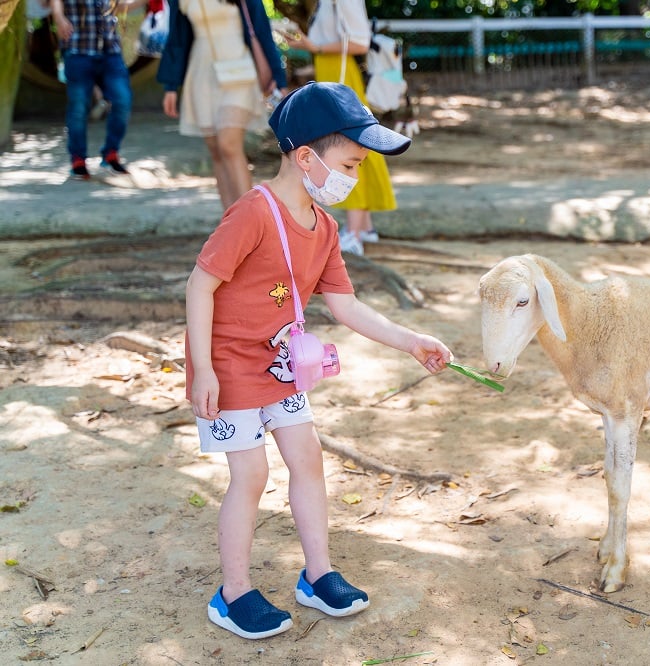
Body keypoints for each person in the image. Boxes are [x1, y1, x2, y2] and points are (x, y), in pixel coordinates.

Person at [185, 81, 453, 640]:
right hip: (230, 365)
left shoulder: (326, 228)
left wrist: (410, 340)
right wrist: (204, 368)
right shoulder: (253, 213)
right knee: (251, 473)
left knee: (307, 459)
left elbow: (346, 304)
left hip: (281, 366)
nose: (354, 176)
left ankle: (318, 575)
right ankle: (232, 593)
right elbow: (200, 284)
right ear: (306, 156)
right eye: (350, 163)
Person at [283, 0, 397, 256]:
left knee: (347, 146)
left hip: (340, 75)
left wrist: (314, 47)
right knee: (353, 143)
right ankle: (363, 227)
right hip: (331, 72)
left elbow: (360, 43)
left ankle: (354, 232)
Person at [157, 0, 287, 209]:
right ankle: (230, 224)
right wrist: (170, 86)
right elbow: (177, 38)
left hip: (239, 71)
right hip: (201, 73)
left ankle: (251, 220)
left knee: (229, 144)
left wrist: (279, 80)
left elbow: (262, 30)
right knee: (217, 150)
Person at [50, 0, 134, 180]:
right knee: (79, 107)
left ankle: (111, 153)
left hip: (110, 51)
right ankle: (78, 160)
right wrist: (58, 16)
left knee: (123, 100)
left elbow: (119, 6)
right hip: (78, 50)